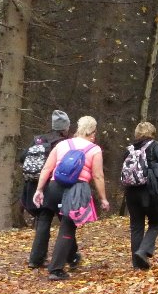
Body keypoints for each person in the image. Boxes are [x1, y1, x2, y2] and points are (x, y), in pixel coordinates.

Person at [33, 116, 110, 281]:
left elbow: (47, 168)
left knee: (55, 223)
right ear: (92, 131)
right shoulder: (94, 149)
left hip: (54, 187)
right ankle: (56, 269)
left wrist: (39, 190)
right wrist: (103, 198)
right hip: (75, 190)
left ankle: (70, 258)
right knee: (67, 228)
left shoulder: (63, 144)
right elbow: (97, 176)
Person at [25, 110, 76, 269]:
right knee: (67, 222)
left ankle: (35, 259)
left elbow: (23, 157)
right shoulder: (64, 143)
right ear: (65, 128)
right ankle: (72, 256)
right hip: (55, 186)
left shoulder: (39, 140)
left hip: (36, 187)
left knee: (43, 222)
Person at [122, 121, 158, 271]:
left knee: (136, 226)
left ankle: (137, 264)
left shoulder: (129, 149)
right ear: (152, 133)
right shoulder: (154, 145)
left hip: (131, 192)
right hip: (150, 190)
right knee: (156, 223)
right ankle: (142, 252)